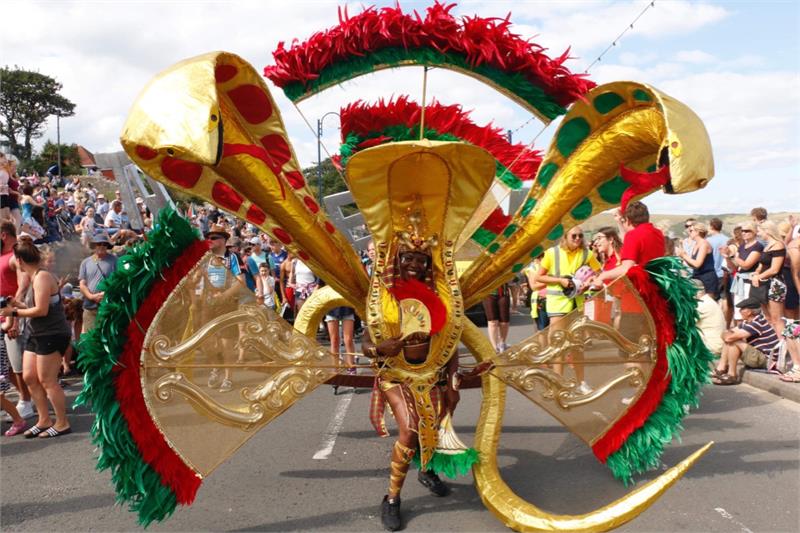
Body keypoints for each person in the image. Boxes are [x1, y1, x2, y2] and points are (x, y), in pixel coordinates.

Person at [0, 238, 73, 437]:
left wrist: (13, 313)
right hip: (37, 332)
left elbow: (41, 310)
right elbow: (36, 308)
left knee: (47, 380)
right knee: (30, 377)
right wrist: (17, 304)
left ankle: (62, 423)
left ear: (21, 261)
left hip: (52, 333)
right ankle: (43, 420)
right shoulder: (35, 277)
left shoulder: (42, 277)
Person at [534, 225, 601, 393]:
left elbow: (599, 273)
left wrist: (589, 283)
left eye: (580, 236)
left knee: (577, 346)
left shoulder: (587, 254)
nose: (578, 239)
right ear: (565, 237)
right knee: (559, 346)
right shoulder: (552, 253)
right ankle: (558, 383)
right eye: (574, 236)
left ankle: (581, 383)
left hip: (576, 306)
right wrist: (560, 280)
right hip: (557, 305)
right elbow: (538, 277)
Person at [199, 224, 246, 392]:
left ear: (224, 240)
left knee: (227, 343)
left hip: (226, 305)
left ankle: (228, 378)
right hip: (207, 304)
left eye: (214, 238)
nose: (210, 241)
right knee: (207, 342)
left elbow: (241, 282)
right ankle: (216, 367)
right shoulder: (204, 258)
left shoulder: (233, 258)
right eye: (208, 238)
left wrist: (225, 295)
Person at [0, 220, 33, 420]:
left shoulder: (14, 256)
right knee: (8, 366)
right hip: (4, 316)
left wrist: (13, 314)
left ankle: (26, 401)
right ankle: (26, 398)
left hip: (12, 316)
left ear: (3, 234)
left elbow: (24, 282)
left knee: (17, 364)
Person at [713, 297, 779, 385]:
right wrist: (727, 334)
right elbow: (726, 333)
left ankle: (731, 375)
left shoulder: (757, 323)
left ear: (749, 312)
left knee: (733, 341)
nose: (740, 311)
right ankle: (721, 368)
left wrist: (728, 335)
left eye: (742, 309)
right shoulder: (747, 322)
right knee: (731, 339)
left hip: (765, 360)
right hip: (757, 356)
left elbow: (729, 337)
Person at [721, 221, 762, 322]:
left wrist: (733, 256)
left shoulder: (757, 246)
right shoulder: (742, 246)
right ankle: (740, 333)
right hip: (739, 280)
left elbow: (746, 265)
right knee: (738, 311)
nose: (743, 233)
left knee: (749, 311)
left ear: (754, 232)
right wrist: (727, 257)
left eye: (747, 231)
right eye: (742, 231)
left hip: (749, 282)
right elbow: (734, 268)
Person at [78, 232, 118, 334]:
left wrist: (105, 294)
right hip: (89, 307)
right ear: (94, 245)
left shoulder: (114, 260)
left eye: (104, 244)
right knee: (89, 337)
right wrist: (91, 296)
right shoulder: (85, 262)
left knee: (106, 335)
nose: (101, 246)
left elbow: (118, 281)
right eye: (99, 243)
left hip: (107, 306)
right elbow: (82, 284)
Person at [751, 221, 786, 335]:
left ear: (767, 231)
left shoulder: (778, 245)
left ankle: (783, 346)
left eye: (760, 231)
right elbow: (762, 265)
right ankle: (775, 342)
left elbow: (775, 269)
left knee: (777, 319)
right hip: (764, 284)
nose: (758, 233)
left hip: (775, 284)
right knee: (768, 317)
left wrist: (759, 276)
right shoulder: (767, 247)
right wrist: (756, 273)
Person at [677, 222, 718, 298]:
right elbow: (693, 265)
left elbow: (697, 264)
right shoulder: (696, 244)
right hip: (697, 276)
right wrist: (683, 257)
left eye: (691, 230)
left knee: (708, 304)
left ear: (697, 232)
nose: (689, 232)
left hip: (707, 278)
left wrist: (684, 256)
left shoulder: (704, 244)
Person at [692, 279, 726, 358]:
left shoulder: (702, 305)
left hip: (712, 347)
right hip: (717, 344)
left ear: (697, 291)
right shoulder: (707, 300)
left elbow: (686, 323)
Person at [482, 284, 511, 353]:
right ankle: (494, 347)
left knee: (504, 322)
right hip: (488, 293)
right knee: (492, 322)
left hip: (503, 293)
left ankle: (502, 343)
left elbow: (513, 276)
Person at [706, 217, 729, 300]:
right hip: (725, 273)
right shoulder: (727, 240)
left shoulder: (708, 241)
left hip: (714, 273)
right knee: (725, 299)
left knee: (713, 300)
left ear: (712, 226)